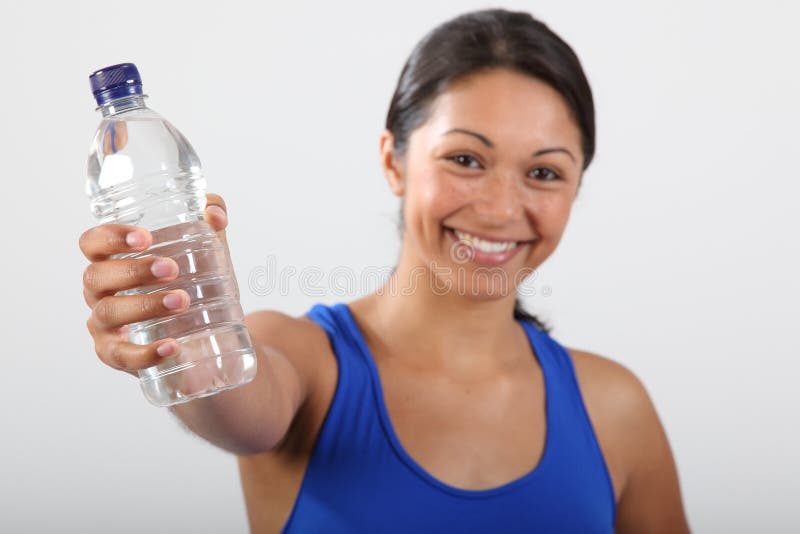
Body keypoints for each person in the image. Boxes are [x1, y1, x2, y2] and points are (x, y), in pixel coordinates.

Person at [79, 8, 690, 533]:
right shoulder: (306, 361)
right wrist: (182, 331)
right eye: (465, 159)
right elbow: (231, 392)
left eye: (544, 172)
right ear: (393, 162)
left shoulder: (614, 407)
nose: (503, 208)